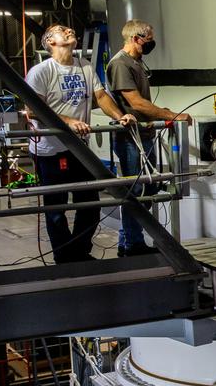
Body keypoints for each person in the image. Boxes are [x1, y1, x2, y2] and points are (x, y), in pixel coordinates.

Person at [25, 24, 137, 263]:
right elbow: (32, 109)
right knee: (56, 209)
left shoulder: (84, 66)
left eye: (68, 28)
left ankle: (79, 252)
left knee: (90, 204)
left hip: (79, 149)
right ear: (50, 42)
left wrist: (120, 116)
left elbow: (101, 96)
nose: (68, 30)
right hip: (50, 150)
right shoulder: (41, 71)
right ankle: (64, 258)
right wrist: (68, 122)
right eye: (61, 30)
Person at [106, 19, 190, 257]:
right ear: (136, 38)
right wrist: (172, 116)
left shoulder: (136, 62)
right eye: (149, 39)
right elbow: (136, 103)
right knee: (137, 191)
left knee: (146, 189)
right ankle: (133, 244)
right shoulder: (120, 64)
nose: (152, 43)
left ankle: (127, 241)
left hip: (144, 134)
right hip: (131, 139)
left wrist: (158, 115)